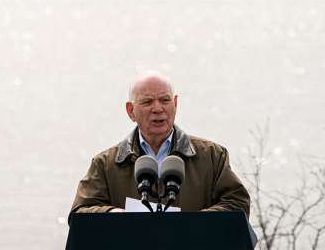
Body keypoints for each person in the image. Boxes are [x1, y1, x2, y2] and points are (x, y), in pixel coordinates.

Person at [69, 72, 250, 218]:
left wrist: (194, 225)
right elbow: (80, 213)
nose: (157, 108)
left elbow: (237, 204)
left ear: (175, 104)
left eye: (164, 100)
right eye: (147, 102)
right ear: (130, 111)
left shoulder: (212, 156)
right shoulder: (105, 164)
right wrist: (114, 215)